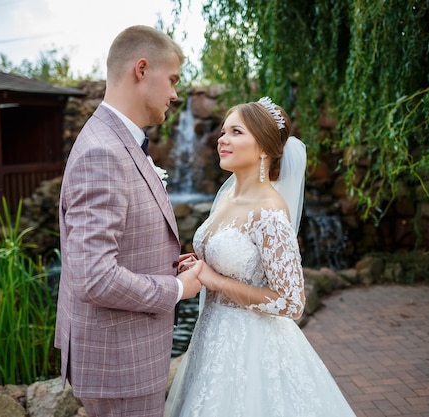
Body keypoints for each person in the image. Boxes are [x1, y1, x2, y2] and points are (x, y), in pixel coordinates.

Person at [164, 97, 358, 416]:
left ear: (264, 148)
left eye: (236, 132)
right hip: (211, 337)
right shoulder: (227, 196)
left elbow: (291, 302)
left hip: (251, 346)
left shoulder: (269, 211)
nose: (222, 139)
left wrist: (215, 280)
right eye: (223, 131)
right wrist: (199, 264)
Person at [54, 25, 203, 417]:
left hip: (125, 355)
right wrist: (175, 289)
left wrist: (171, 262)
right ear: (141, 69)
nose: (175, 94)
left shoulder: (114, 140)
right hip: (120, 364)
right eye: (171, 79)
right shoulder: (102, 152)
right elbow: (95, 277)